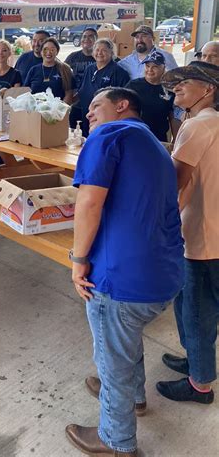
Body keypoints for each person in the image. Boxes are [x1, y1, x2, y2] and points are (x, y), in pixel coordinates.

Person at [65, 87, 184, 457]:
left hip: (121, 279)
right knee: (124, 338)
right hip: (163, 274)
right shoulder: (154, 143)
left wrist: (78, 259)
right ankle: (133, 397)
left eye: (96, 106)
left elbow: (89, 201)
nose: (89, 115)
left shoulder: (110, 133)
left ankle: (116, 441)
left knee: (112, 357)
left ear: (122, 105)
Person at [156, 61, 219, 405]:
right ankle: (196, 360)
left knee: (196, 311)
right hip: (208, 231)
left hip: (202, 237)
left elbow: (176, 185)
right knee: (191, 307)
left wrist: (159, 229)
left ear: (208, 90)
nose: (177, 86)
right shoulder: (212, 122)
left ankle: (200, 385)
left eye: (185, 82)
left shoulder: (197, 127)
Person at [77, 38, 130, 136]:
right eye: (97, 50)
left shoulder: (119, 72)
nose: (99, 53)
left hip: (106, 121)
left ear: (111, 53)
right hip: (87, 115)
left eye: (104, 50)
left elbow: (124, 99)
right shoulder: (89, 69)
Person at [126, 50, 178, 142]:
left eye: (155, 67)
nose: (150, 70)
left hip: (158, 139)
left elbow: (172, 117)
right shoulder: (133, 86)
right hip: (134, 136)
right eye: (147, 66)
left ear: (163, 68)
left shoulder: (170, 89)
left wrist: (176, 139)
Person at [24, 37, 73, 102]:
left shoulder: (65, 69)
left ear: (57, 52)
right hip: (35, 111)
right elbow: (25, 93)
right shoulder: (33, 70)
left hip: (57, 110)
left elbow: (69, 94)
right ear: (41, 52)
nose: (48, 52)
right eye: (45, 49)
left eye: (52, 50)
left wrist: (59, 110)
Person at [65, 28, 97, 128]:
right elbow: (64, 75)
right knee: (75, 133)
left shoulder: (100, 56)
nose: (86, 39)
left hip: (95, 104)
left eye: (91, 36)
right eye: (84, 36)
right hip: (76, 103)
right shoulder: (73, 57)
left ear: (97, 40)